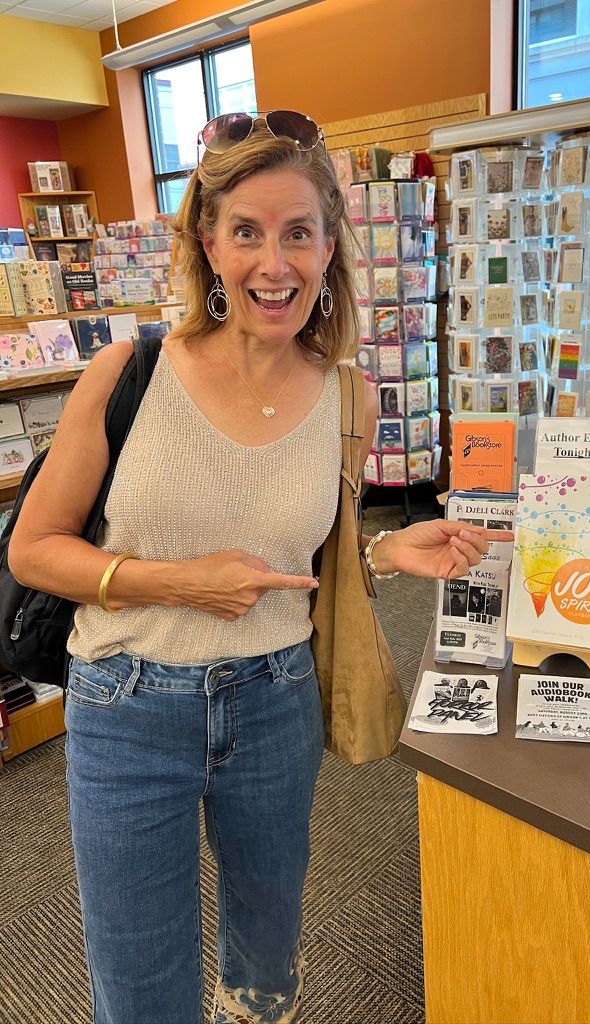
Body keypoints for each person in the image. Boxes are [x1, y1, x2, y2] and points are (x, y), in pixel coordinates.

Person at [8, 110, 507, 1024]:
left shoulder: (349, 396)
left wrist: (382, 550)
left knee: (268, 963)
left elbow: (293, 558)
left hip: (278, 701)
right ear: (209, 243)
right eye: (247, 232)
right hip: (126, 706)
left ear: (329, 248)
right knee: (142, 983)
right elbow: (33, 549)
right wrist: (177, 581)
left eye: (298, 233)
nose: (274, 264)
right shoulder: (128, 373)